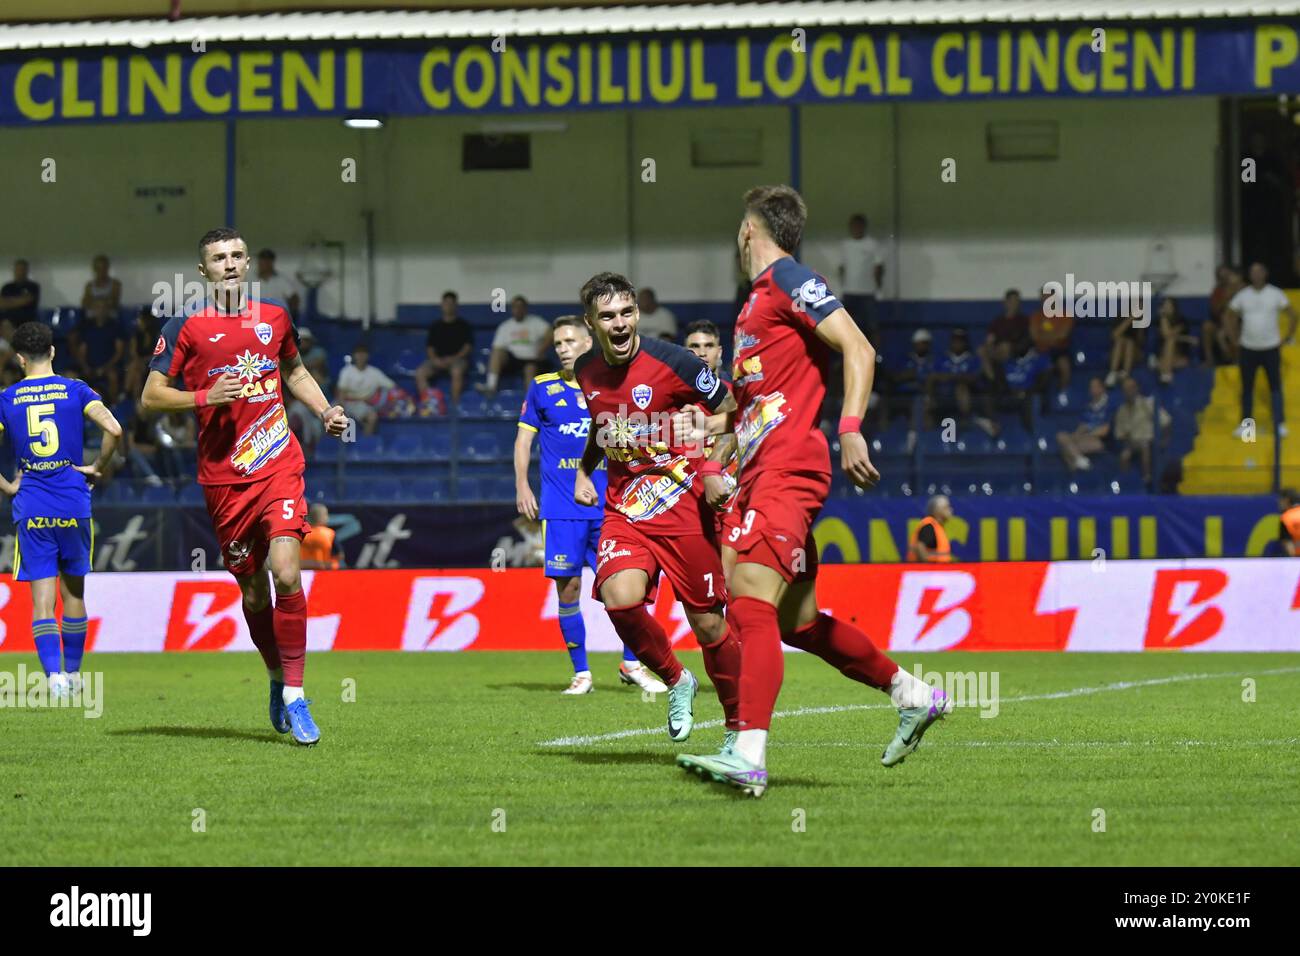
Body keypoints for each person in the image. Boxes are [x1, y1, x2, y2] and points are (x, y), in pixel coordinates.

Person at [676, 185, 947, 798]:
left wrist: (850, 429)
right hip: (761, 467)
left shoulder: (792, 279)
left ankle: (748, 753)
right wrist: (711, 431)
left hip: (787, 469)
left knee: (748, 600)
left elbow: (859, 347)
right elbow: (752, 409)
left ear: (749, 230)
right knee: (797, 622)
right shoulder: (753, 307)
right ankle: (912, 694)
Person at [142, 227, 349, 746]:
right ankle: (276, 675)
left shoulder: (276, 317)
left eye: (237, 255)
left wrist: (325, 409)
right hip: (223, 478)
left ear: (249, 262)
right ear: (203, 270)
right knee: (254, 589)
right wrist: (205, 396)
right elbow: (151, 396)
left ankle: (299, 696)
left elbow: (294, 371)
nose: (230, 264)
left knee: (286, 570)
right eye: (218, 258)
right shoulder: (184, 325)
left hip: (279, 463)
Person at [572, 271, 738, 746]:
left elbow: (730, 408)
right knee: (618, 600)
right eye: (607, 316)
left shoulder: (677, 362)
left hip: (684, 504)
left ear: (638, 315)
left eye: (626, 313)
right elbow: (603, 426)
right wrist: (586, 468)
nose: (619, 323)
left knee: (707, 623)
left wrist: (712, 467)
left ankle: (737, 728)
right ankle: (677, 680)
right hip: (625, 509)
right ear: (592, 323)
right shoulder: (587, 371)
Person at [514, 315, 666, 695]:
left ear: (589, 342)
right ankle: (581, 673)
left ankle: (632, 663)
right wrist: (522, 486)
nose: (562, 348)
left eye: (569, 341)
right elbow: (522, 442)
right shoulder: (542, 388)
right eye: (557, 343)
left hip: (612, 507)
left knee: (627, 588)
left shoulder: (609, 383)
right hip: (561, 508)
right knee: (567, 591)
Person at [0, 321, 122, 698]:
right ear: (52, 352)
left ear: (19, 358)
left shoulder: (7, 398)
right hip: (73, 501)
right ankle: (73, 675)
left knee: (42, 599)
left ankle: (53, 679)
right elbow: (115, 429)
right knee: (74, 596)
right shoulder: (76, 389)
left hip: (32, 505)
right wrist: (98, 467)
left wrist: (7, 486)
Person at [683, 320, 742, 581]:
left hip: (730, 501)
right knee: (701, 595)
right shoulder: (672, 398)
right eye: (694, 346)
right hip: (688, 506)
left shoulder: (739, 396)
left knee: (730, 583)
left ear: (720, 351)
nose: (702, 352)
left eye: (708, 346)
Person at [1227, 262, 1297, 439]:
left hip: (1270, 348)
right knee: (1247, 388)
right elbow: (1230, 316)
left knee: (1275, 387)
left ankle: (1279, 424)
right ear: (1249, 275)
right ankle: (1247, 429)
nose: (1256, 275)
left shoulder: (1275, 293)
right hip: (1248, 348)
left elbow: (1292, 315)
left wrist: (1287, 337)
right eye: (1253, 272)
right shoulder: (1243, 295)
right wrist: (1234, 339)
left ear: (1265, 273)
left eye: (1259, 271)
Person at [479, 296, 550, 395]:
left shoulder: (536, 322)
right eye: (515, 307)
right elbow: (497, 347)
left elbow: (550, 333)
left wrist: (543, 349)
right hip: (513, 361)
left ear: (525, 309)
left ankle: (530, 404)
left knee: (530, 368)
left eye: (521, 307)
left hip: (533, 360)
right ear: (511, 309)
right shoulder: (505, 326)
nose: (518, 310)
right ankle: (491, 386)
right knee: (497, 353)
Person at [415, 291, 472, 405]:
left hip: (458, 360)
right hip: (438, 360)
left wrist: (453, 359)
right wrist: (435, 360)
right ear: (442, 305)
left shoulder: (464, 325)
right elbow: (430, 348)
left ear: (456, 305)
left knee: (456, 372)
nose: (449, 306)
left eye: (451, 303)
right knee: (420, 373)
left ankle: (454, 406)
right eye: (446, 303)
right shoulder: (435, 326)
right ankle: (429, 404)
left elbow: (468, 348)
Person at [837, 213, 884, 346]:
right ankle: (846, 358)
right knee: (848, 327)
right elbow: (842, 268)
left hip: (868, 292)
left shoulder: (872, 244)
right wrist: (843, 286)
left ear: (864, 227)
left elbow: (878, 267)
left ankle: (877, 358)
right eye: (853, 226)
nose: (856, 229)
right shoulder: (845, 245)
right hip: (849, 292)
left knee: (872, 327)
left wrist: (878, 288)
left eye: (858, 226)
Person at [1113, 377, 1169, 486]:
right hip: (1131, 443)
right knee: (1124, 455)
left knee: (1144, 445)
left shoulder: (1147, 404)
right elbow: (1119, 434)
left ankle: (1147, 479)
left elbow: (1166, 422)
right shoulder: (1121, 411)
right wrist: (1126, 437)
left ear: (1136, 388)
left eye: (1131, 388)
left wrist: (1163, 440)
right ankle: (1126, 484)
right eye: (1125, 389)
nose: (1128, 392)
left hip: (1149, 441)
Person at [70, 297, 126, 402]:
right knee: (70, 375)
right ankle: (75, 404)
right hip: (90, 365)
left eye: (103, 307)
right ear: (94, 309)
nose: (100, 310)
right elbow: (82, 351)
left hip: (109, 366)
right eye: (98, 307)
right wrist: (85, 366)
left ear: (108, 310)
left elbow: (119, 352)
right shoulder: (87, 327)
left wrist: (105, 368)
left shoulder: (115, 326)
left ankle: (113, 404)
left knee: (112, 376)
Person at [336, 342, 395, 436]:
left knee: (372, 417)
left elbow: (392, 386)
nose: (361, 356)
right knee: (328, 415)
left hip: (363, 404)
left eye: (363, 353)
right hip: (346, 402)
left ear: (368, 356)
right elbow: (340, 392)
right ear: (354, 355)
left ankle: (364, 445)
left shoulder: (374, 372)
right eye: (358, 353)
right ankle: (331, 447)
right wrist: (341, 409)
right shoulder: (347, 371)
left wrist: (377, 396)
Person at [1056, 376, 1112, 471]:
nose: (1092, 389)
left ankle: (1077, 470)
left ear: (1102, 388)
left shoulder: (1109, 405)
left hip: (1100, 441)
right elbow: (1083, 426)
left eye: (1095, 386)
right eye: (1091, 387)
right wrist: (1076, 435)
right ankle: (1080, 460)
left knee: (1065, 450)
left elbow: (1105, 430)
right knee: (1061, 436)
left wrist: (1088, 435)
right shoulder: (1088, 407)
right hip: (1085, 437)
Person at [1028, 288, 1073, 404]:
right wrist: (1053, 336)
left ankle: (1061, 395)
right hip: (1040, 351)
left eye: (1049, 297)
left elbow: (1063, 335)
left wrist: (1044, 336)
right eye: (1044, 296)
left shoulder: (1065, 314)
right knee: (1038, 368)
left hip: (1059, 350)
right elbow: (1034, 337)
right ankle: (1036, 398)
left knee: (1065, 367)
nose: (1047, 299)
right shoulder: (1036, 316)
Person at [980, 289, 1028, 379]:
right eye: (1011, 301)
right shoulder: (998, 321)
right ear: (1005, 302)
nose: (1014, 304)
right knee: (982, 350)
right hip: (996, 350)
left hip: (1015, 349)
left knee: (1005, 346)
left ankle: (1000, 379)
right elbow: (990, 339)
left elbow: (1025, 341)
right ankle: (992, 379)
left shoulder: (1023, 320)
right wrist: (990, 348)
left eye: (1016, 301)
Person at [1204, 264, 1243, 367]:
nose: (1224, 278)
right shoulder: (1218, 290)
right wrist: (1226, 297)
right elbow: (1215, 311)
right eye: (1221, 276)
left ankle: (1234, 358)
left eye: (1227, 275)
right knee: (1207, 327)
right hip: (1220, 322)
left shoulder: (1243, 288)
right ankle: (1210, 360)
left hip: (1240, 321)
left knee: (1225, 328)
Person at [123, 307, 160, 404]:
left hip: (152, 362)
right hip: (139, 363)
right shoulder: (137, 334)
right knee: (137, 373)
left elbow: (157, 354)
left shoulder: (156, 334)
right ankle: (136, 400)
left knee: (135, 367)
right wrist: (139, 361)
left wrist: (142, 361)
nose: (140, 321)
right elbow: (133, 352)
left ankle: (126, 394)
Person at [1156, 298, 1196, 385]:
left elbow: (1170, 334)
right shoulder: (1161, 321)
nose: (1166, 307)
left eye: (1168, 305)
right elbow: (1166, 334)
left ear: (1174, 307)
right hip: (1165, 355)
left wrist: (1184, 339)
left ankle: (1166, 373)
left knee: (1171, 341)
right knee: (1169, 342)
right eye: (1165, 305)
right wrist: (1163, 317)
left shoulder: (1181, 321)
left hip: (1179, 355)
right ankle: (1167, 373)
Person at [254, 248, 301, 318]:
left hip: (277, 319)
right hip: (256, 320)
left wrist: (292, 313)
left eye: (267, 261)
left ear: (271, 263)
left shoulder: (281, 280)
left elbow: (294, 297)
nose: (264, 264)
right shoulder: (250, 280)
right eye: (262, 260)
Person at [907, 495, 955, 562]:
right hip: (930, 571)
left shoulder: (936, 526)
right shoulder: (929, 526)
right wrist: (928, 567)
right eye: (946, 507)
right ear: (937, 510)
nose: (950, 510)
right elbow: (920, 547)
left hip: (937, 571)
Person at [1104, 306, 1144, 387]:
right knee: (1120, 341)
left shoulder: (1144, 319)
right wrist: (1130, 319)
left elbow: (1141, 341)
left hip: (1134, 353)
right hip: (1118, 352)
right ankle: (1113, 373)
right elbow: (1114, 335)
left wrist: (1139, 323)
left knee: (1129, 343)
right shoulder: (1121, 315)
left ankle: (1126, 373)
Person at [300, 503, 340, 570]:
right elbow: (339, 555)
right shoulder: (329, 533)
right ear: (323, 517)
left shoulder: (301, 533)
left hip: (303, 570)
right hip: (323, 570)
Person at [0, 259, 40, 325]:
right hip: (6, 317)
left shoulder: (33, 286)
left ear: (26, 271)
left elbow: (27, 300)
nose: (20, 272)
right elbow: (1, 304)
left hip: (26, 318)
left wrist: (9, 301)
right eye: (18, 269)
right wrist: (18, 300)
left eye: (22, 269)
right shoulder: (7, 287)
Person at [1276, 488, 1300, 556]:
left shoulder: (1287, 518)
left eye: (1280, 501)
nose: (1279, 504)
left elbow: (1288, 544)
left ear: (1286, 500)